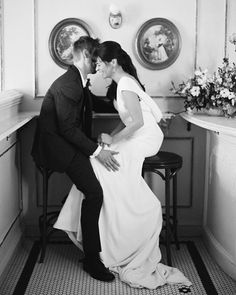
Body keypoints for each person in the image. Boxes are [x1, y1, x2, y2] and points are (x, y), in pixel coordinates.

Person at [54, 41, 191, 289]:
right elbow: (126, 119)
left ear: (113, 63)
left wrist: (114, 141)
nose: (97, 68)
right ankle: (101, 227)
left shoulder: (126, 83)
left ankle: (127, 221)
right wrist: (110, 137)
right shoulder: (122, 83)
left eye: (100, 63)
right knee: (100, 161)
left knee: (105, 163)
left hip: (146, 139)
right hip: (136, 134)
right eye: (94, 63)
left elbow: (137, 123)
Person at [31, 36, 121, 282]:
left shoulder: (78, 82)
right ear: (82, 56)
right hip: (57, 148)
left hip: (67, 144)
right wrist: (96, 151)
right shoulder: (70, 84)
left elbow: (87, 111)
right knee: (94, 193)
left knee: (92, 187)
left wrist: (127, 104)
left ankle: (82, 229)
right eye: (93, 58)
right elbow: (68, 129)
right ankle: (91, 260)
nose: (97, 63)